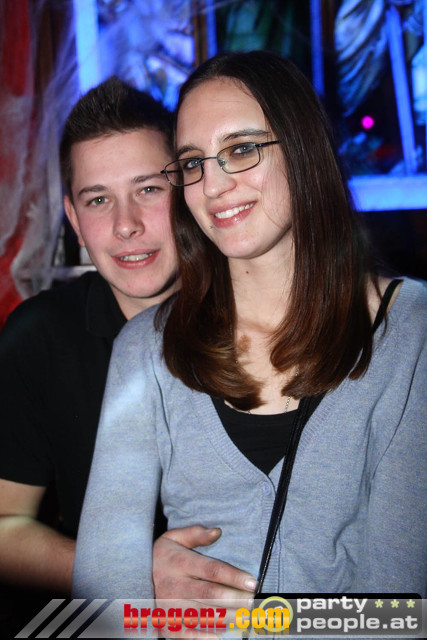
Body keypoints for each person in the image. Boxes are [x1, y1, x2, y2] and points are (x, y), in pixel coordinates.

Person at [72, 50, 427, 602]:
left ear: (304, 148)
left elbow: (400, 611)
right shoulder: (144, 350)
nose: (213, 186)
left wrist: (252, 622)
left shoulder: (409, 331)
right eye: (193, 163)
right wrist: (150, 608)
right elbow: (102, 596)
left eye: (240, 149)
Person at [0, 77, 255, 625]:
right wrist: (132, 575)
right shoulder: (37, 338)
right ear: (74, 220)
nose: (125, 226)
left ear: (189, 189)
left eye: (148, 189)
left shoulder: (265, 317)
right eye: (98, 200)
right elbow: (4, 526)